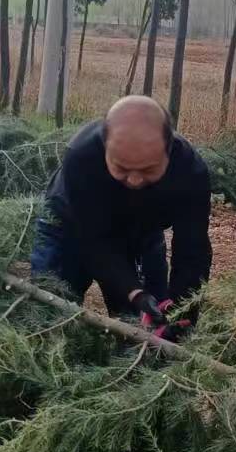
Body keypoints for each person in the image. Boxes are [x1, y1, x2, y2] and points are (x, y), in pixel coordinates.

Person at [32, 95, 212, 338]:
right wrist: (133, 290)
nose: (135, 180)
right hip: (71, 226)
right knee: (53, 315)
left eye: (148, 169)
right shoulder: (82, 156)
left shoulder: (190, 171)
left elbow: (193, 249)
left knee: (149, 324)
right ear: (105, 146)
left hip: (143, 229)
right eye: (122, 168)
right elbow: (93, 241)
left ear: (169, 150)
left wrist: (184, 312)